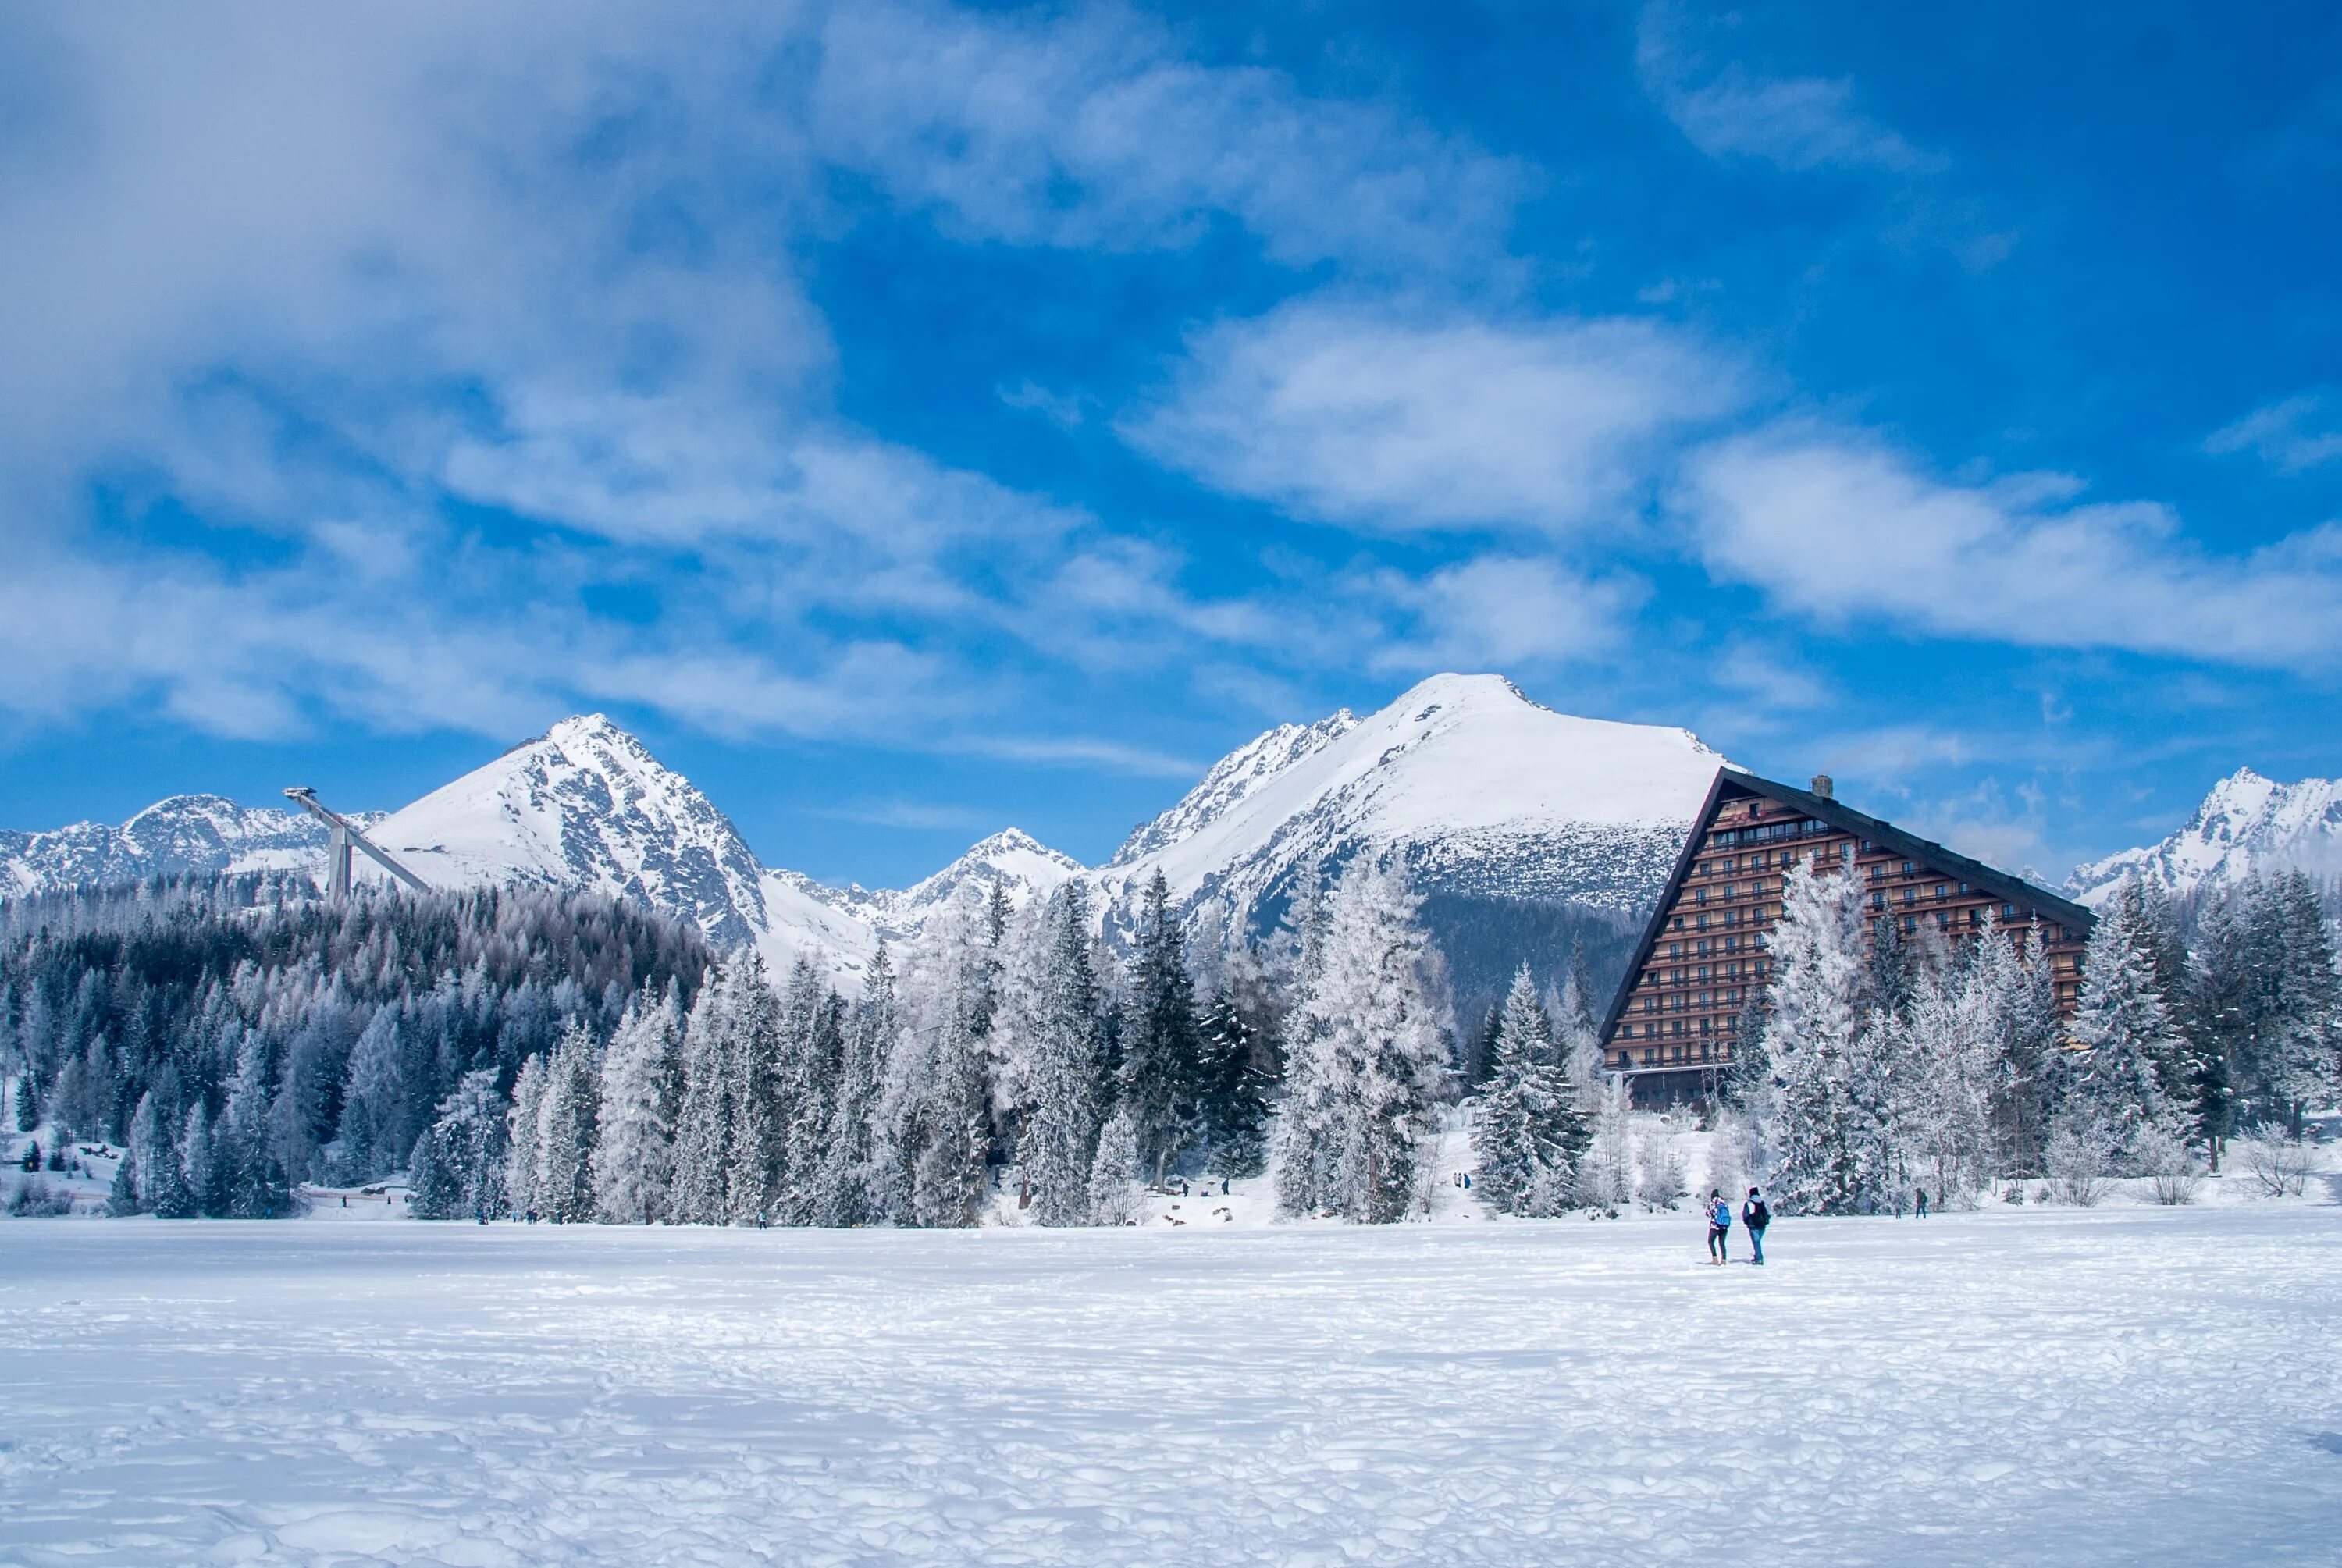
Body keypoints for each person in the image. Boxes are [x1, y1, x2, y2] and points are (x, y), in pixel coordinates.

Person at [1742, 1186, 1770, 1265]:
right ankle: (1757, 1256)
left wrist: (1747, 1222)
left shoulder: (1749, 1203)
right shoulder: (1763, 1203)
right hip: (1762, 1226)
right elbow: (1768, 1214)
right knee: (1757, 1243)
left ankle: (1759, 1259)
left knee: (1756, 1243)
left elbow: (1745, 1215)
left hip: (1753, 1226)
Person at [1705, 1189, 1731, 1264]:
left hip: (1715, 1226)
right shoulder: (1724, 1203)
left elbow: (1708, 1214)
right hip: (1724, 1226)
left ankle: (1715, 1259)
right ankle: (1723, 1260)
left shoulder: (1713, 1203)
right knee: (1722, 1243)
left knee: (1711, 1241)